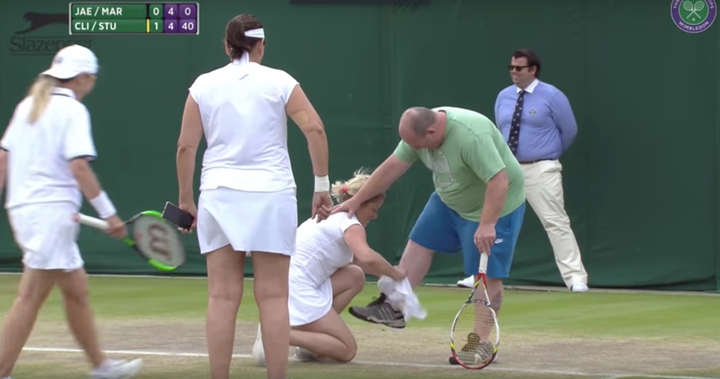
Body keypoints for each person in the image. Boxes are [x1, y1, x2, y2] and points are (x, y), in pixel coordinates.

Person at [174, 13, 332, 379]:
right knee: (274, 296)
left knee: (222, 296)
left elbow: (185, 147)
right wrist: (322, 186)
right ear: (261, 45)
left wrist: (186, 201)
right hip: (271, 194)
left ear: (227, 46)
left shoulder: (204, 85)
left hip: (219, 194)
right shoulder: (280, 81)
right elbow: (315, 128)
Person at [331, 106, 526, 364]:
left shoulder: (471, 135)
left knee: (488, 280)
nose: (411, 148)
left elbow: (498, 180)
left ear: (432, 132)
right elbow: (391, 168)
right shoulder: (419, 133)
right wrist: (357, 200)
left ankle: (479, 343)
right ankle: (392, 308)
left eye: (414, 143)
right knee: (417, 246)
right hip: (448, 201)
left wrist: (488, 223)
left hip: (493, 206)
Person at [0, 44, 143, 379]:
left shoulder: (26, 107)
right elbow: (78, 167)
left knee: (76, 291)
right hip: (49, 215)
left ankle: (101, 366)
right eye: (91, 77)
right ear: (83, 78)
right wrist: (109, 214)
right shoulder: (74, 111)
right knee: (30, 296)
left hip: (26, 211)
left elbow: (3, 159)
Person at [251, 168, 407, 366]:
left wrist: (385, 279)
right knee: (346, 349)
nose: (374, 216)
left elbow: (361, 264)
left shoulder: (335, 216)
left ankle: (309, 345)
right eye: (373, 209)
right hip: (297, 287)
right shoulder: (351, 223)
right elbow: (366, 256)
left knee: (355, 276)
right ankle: (276, 333)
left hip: (288, 282)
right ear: (360, 202)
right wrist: (396, 274)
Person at [494, 48, 588, 292]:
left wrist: (547, 154)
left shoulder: (552, 96)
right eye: (511, 67)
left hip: (541, 169)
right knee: (493, 222)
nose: (513, 72)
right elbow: (499, 129)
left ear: (532, 70)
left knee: (555, 221)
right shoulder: (503, 96)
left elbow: (569, 131)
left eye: (519, 68)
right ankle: (483, 274)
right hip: (508, 170)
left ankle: (575, 278)